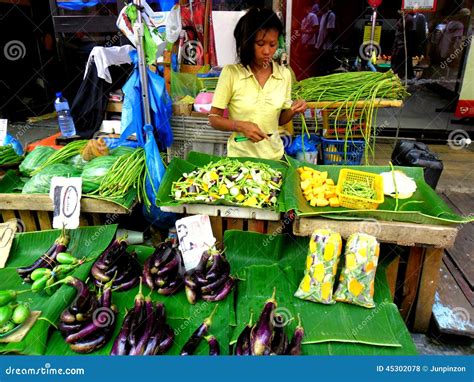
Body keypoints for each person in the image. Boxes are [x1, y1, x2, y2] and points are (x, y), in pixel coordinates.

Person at [208, 7, 307, 161]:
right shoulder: (231, 74)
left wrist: (294, 109)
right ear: (247, 43)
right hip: (239, 159)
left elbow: (279, 120)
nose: (267, 51)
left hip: (274, 157)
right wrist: (240, 126)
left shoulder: (284, 75)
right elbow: (214, 118)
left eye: (272, 45)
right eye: (260, 44)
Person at [315, 0, 336, 75]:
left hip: (326, 47)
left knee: (325, 68)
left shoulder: (331, 15)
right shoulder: (323, 15)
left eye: (321, 7)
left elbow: (329, 32)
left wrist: (321, 44)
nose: (319, 9)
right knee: (319, 67)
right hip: (320, 46)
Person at [299, 2, 320, 77]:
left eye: (305, 8)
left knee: (308, 61)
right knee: (303, 61)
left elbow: (316, 29)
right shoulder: (304, 18)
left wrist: (307, 42)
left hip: (309, 43)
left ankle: (308, 76)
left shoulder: (312, 16)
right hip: (304, 43)